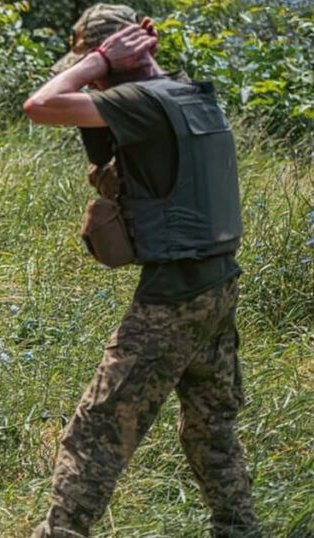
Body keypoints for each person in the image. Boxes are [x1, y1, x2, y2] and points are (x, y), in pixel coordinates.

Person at [22, 4, 259, 537]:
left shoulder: (139, 102)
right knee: (211, 430)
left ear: (115, 63)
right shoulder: (187, 96)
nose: (91, 79)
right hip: (218, 286)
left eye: (96, 68)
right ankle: (239, 529)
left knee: (99, 428)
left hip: (174, 294)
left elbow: (38, 105)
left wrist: (98, 59)